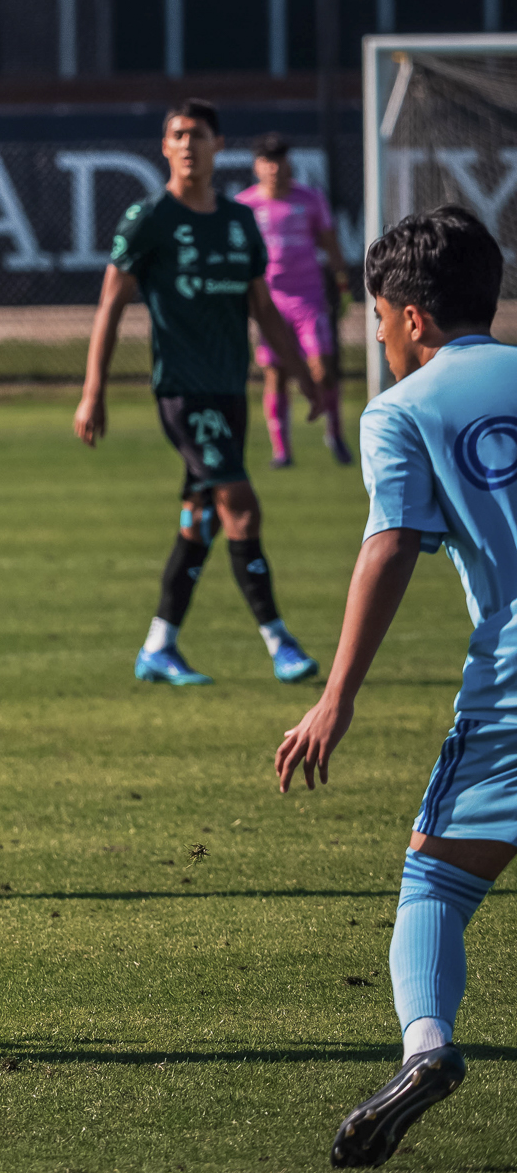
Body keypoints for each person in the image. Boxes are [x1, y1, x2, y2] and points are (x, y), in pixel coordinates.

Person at [273, 206, 515, 1168]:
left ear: (412, 317)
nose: (375, 335)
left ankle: (426, 1048)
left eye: (376, 317)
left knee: (437, 881)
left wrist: (336, 694)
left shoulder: (404, 409)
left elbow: (390, 546)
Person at [75, 99, 323, 686]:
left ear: (218, 145)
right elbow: (111, 303)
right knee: (241, 505)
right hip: (183, 394)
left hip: (230, 392)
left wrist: (307, 378)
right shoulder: (150, 218)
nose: (188, 144)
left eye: (199, 135)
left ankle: (159, 646)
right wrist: (93, 391)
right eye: (177, 135)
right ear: (165, 147)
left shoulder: (239, 222)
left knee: (199, 520)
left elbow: (262, 308)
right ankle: (279, 641)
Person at [235, 133, 355, 468]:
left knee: (324, 368)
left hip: (309, 299)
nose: (274, 167)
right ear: (258, 166)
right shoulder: (245, 206)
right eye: (267, 161)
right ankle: (281, 450)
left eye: (279, 159)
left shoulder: (311, 199)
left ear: (288, 163)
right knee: (274, 373)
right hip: (269, 303)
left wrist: (343, 287)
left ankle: (334, 433)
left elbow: (331, 246)